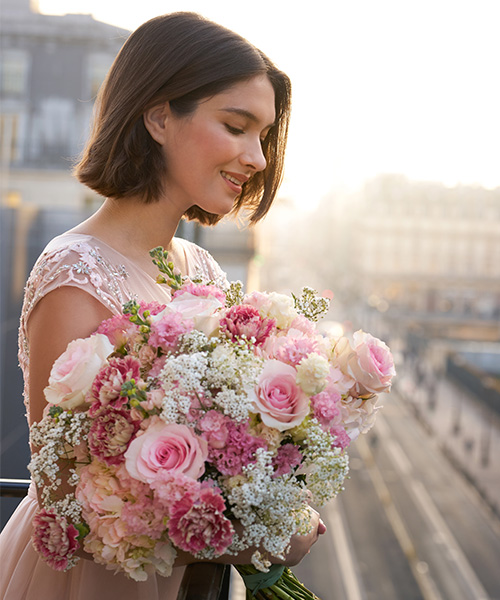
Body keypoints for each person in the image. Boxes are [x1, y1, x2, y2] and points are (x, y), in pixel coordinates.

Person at [0, 12, 325, 600]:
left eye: (263, 136)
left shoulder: (201, 269)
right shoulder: (75, 275)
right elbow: (64, 498)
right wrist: (255, 541)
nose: (256, 157)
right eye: (236, 126)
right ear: (157, 116)